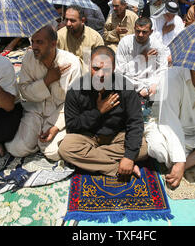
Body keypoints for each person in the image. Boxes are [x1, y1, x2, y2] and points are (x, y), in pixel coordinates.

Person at [58, 46, 148, 179]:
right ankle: (116, 167)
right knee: (65, 148)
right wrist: (98, 112)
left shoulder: (125, 88)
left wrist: (129, 156)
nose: (100, 74)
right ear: (89, 66)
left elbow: (135, 123)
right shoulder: (76, 89)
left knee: (144, 148)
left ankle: (93, 159)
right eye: (96, 68)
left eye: (106, 70)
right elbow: (72, 126)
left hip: (117, 137)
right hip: (89, 137)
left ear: (114, 68)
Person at [5, 25, 80, 159]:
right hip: (35, 110)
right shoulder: (29, 57)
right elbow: (24, 91)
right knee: (16, 149)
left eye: (39, 42)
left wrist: (56, 127)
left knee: (52, 153)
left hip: (59, 113)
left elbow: (74, 102)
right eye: (32, 41)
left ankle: (45, 140)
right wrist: (46, 80)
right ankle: (35, 139)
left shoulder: (71, 63)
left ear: (53, 44)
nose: (34, 46)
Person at [115, 17, 168, 99]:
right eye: (138, 31)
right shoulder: (125, 42)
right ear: (134, 29)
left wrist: (155, 84)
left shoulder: (156, 45)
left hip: (150, 82)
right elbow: (120, 70)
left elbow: (163, 68)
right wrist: (141, 59)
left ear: (151, 32)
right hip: (130, 81)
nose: (140, 35)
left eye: (144, 32)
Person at [57, 5, 104, 75]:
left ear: (82, 21)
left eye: (72, 20)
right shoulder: (59, 36)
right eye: (66, 19)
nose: (68, 24)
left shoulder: (95, 38)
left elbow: (100, 64)